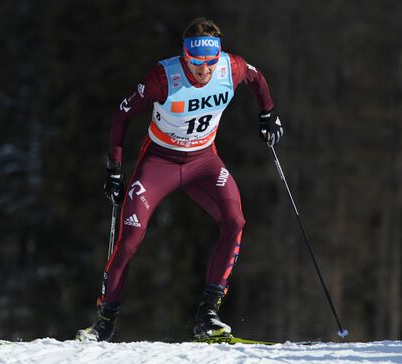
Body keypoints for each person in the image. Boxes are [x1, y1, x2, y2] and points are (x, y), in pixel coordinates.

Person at [76, 17, 283, 342]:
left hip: (204, 161)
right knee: (130, 239)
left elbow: (256, 79)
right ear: (184, 56)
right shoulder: (163, 78)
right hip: (159, 162)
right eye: (195, 61)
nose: (204, 69)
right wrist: (114, 169)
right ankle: (104, 322)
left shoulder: (231, 68)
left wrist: (268, 114)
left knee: (235, 220)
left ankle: (208, 315)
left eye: (210, 61)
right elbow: (122, 114)